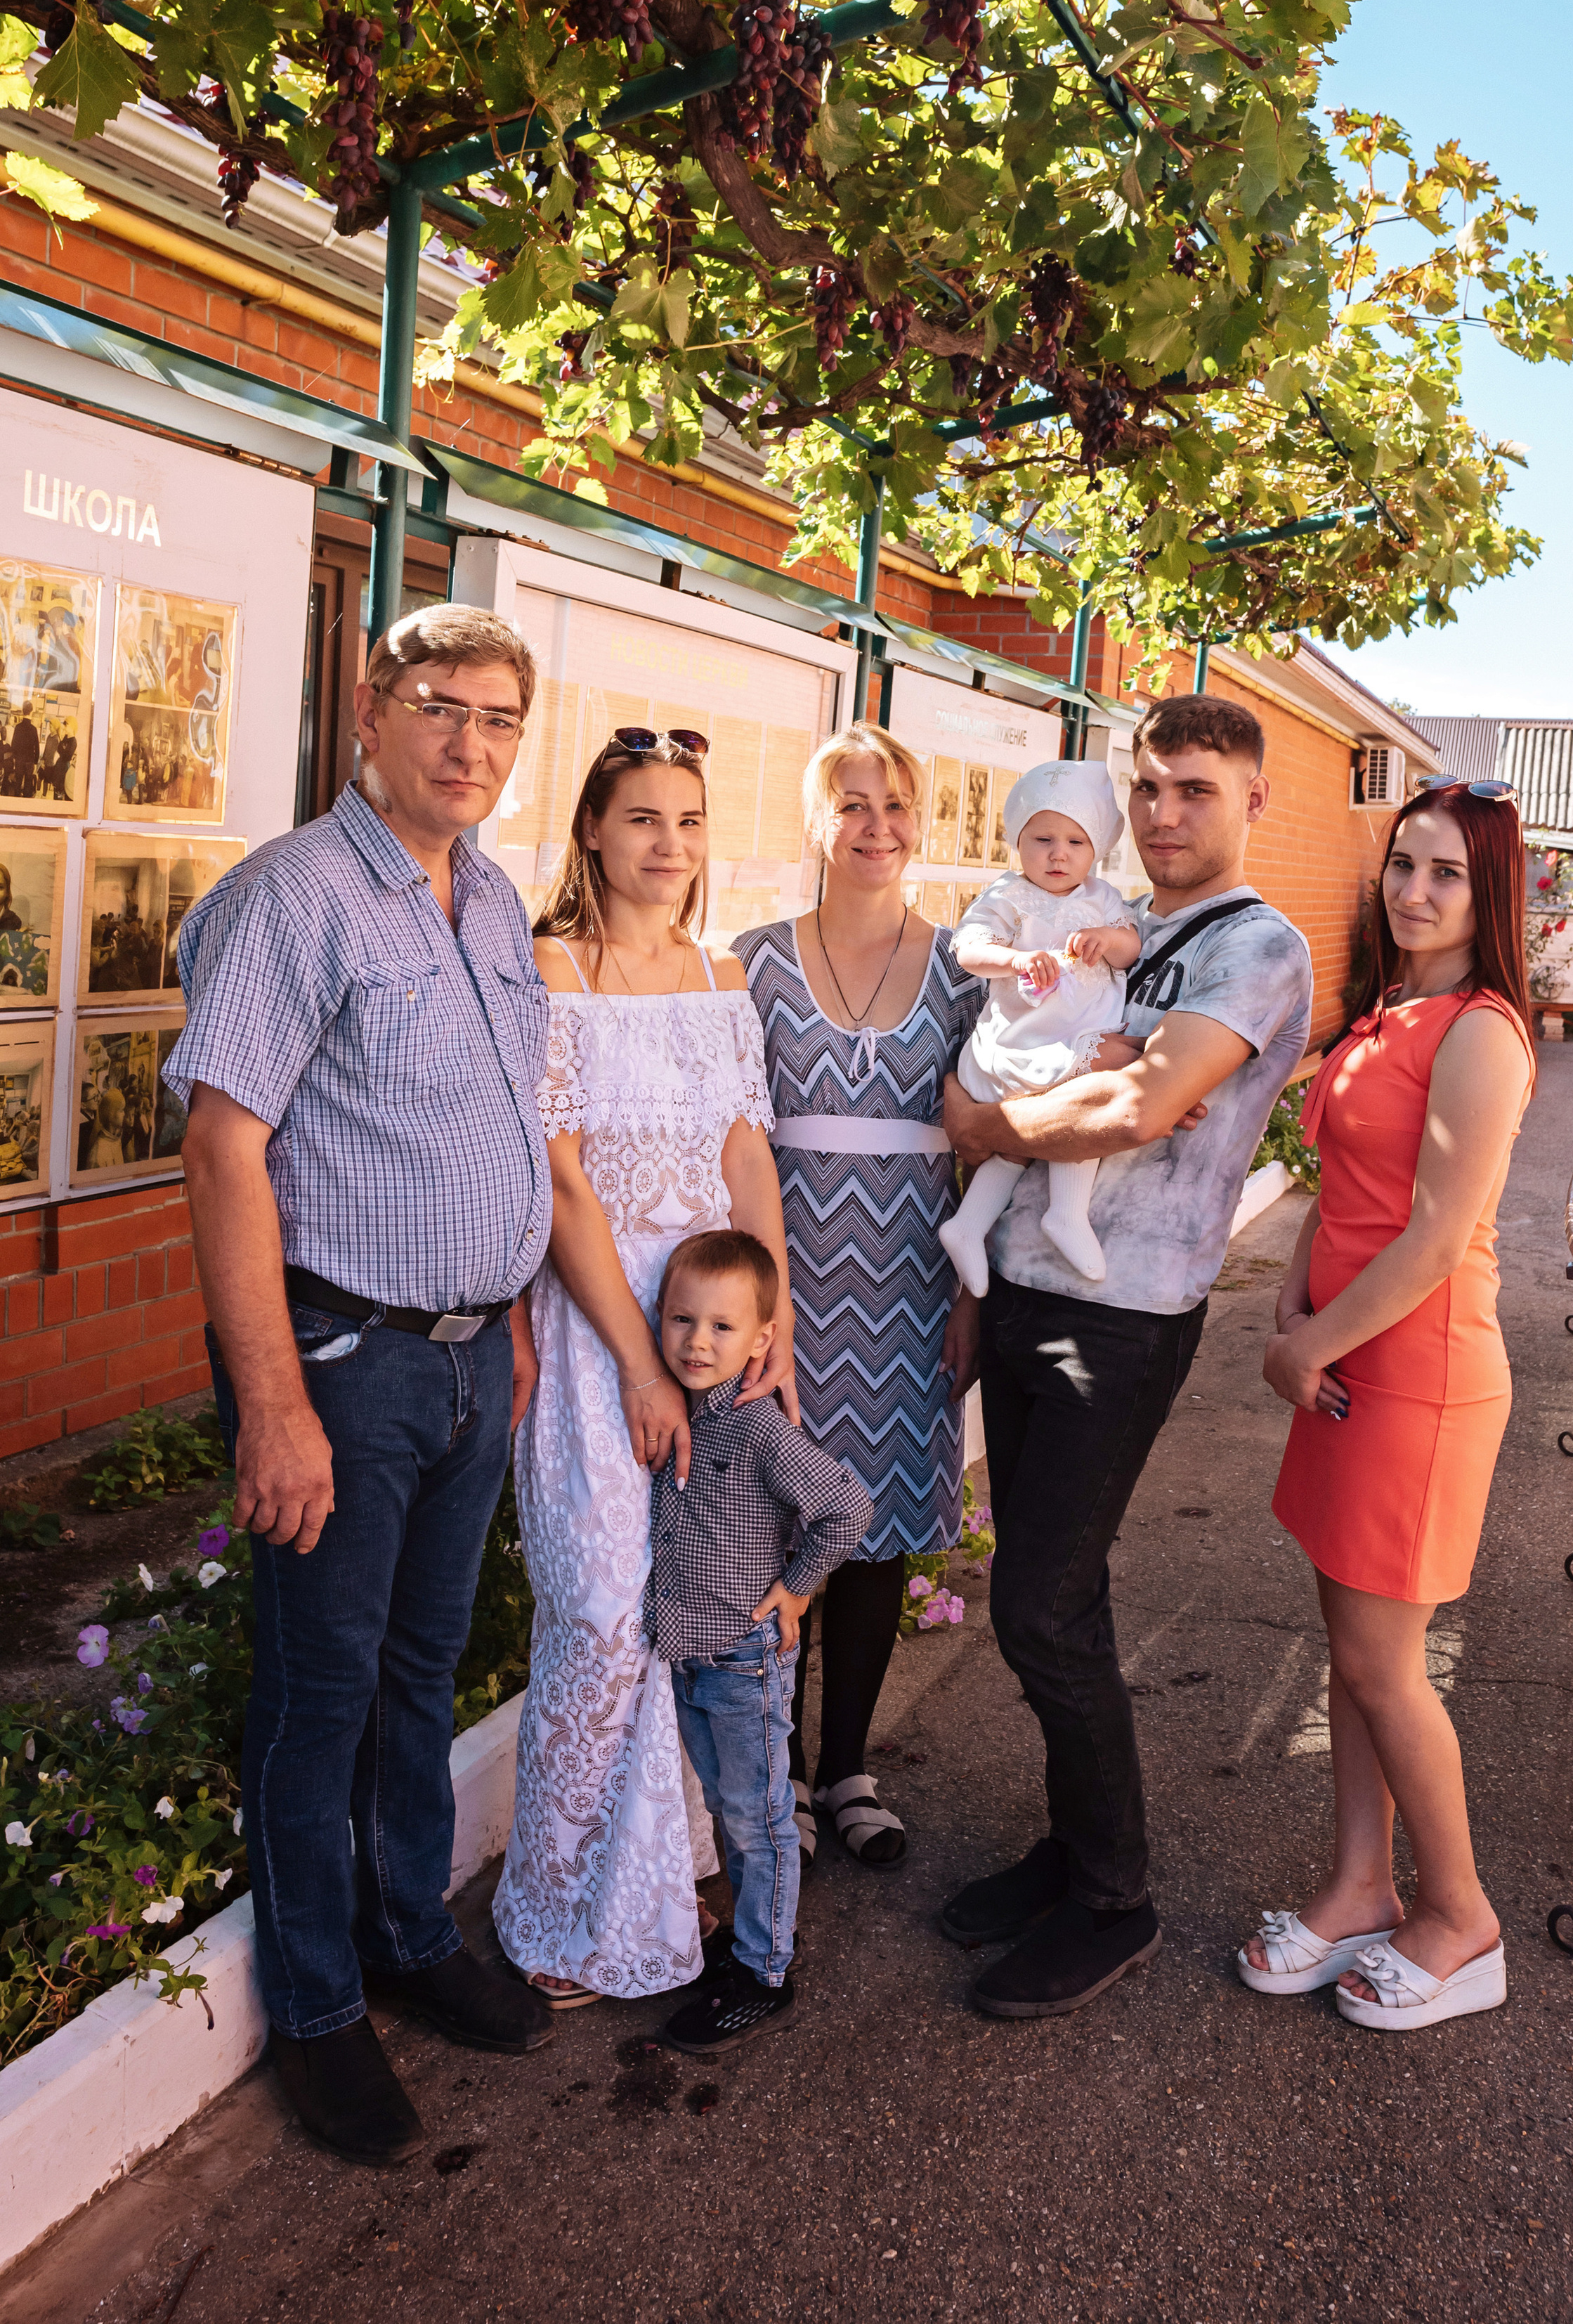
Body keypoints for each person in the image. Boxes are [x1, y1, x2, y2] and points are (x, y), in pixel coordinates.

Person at [164, 602, 553, 2169]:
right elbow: (221, 1146)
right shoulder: (295, 899)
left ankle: (408, 1935)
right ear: (373, 711)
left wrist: (509, 1315)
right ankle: (319, 2012)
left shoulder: (493, 895)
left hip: (467, 1360)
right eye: (443, 708)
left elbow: (490, 1126)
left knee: (419, 1668)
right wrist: (273, 1406)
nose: (472, 744)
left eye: (501, 720)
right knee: (318, 1696)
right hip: (340, 1364)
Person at [941, 693, 1312, 2018]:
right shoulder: (1116, 919)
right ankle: (1071, 1846)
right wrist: (1028, 1106)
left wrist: (988, 1123)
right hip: (1032, 1286)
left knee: (1041, 1600)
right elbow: (1058, 1065)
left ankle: (1116, 1896)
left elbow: (1140, 1101)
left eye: (1195, 790)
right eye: (1148, 786)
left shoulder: (1256, 949)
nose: (1163, 812)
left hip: (1129, 1308)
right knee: (1054, 1592)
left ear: (1252, 800)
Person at [492, 726, 792, 2006]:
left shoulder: (723, 973)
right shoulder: (551, 966)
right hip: (596, 1331)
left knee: (702, 1612)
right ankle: (558, 1913)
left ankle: (668, 1874)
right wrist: (637, 1361)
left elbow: (746, 1160)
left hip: (715, 1339)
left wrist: (764, 1331)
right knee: (606, 1619)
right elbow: (560, 1182)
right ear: (594, 833)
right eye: (642, 818)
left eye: (687, 819)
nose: (668, 843)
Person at [1241, 779, 1534, 2030]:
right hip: (1345, 1364)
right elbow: (1347, 1187)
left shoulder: (1480, 1028)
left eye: (1446, 874)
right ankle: (1362, 1882)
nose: (1414, 890)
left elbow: (1434, 1235)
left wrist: (1309, 1338)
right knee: (1356, 1658)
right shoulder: (1392, 1008)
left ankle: (1461, 1915)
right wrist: (1297, 1313)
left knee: (1383, 1665)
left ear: (1488, 893)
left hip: (1415, 1375)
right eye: (1404, 863)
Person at [736, 722, 982, 1870]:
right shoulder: (752, 961)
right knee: (778, 1520)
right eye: (852, 802)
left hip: (910, 1286)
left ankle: (848, 1768)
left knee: (874, 1528)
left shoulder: (965, 971)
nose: (875, 824)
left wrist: (974, 1299)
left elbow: (989, 1153)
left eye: (895, 804)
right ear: (815, 817)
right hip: (785, 1286)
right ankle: (774, 1770)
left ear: (918, 820)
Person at [649, 1228, 873, 2054]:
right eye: (680, 1320)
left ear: (761, 1340)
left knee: (760, 1817)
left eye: (720, 1327)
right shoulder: (679, 1412)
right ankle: (757, 1939)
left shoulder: (755, 1430)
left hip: (744, 1662)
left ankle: (764, 1974)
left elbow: (847, 1508)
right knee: (727, 1810)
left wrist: (798, 1587)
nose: (697, 1342)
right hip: (693, 1658)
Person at [937, 760, 1142, 1292]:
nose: (1059, 853)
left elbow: (1131, 947)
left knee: (1042, 1128)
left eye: (1076, 841)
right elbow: (968, 949)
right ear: (1018, 840)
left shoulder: (1102, 899)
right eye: (1043, 838)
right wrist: (1017, 960)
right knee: (1077, 1102)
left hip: (1077, 1035)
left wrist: (1106, 939)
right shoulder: (1009, 895)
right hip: (1025, 1041)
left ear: (1095, 850)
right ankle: (1065, 1213)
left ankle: (970, 1224)